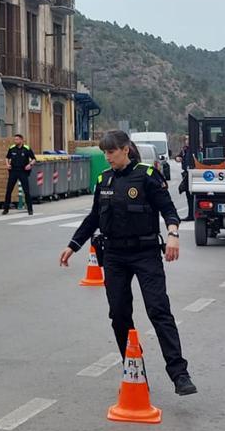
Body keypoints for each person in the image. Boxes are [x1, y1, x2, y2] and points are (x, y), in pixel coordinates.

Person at [59, 130, 197, 396]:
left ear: (125, 149)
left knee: (159, 310)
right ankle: (134, 370)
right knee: (119, 314)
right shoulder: (104, 180)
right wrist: (73, 245)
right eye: (105, 153)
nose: (107, 157)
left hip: (145, 252)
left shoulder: (146, 176)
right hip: (114, 256)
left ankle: (180, 374)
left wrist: (173, 235)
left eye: (111, 152)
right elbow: (94, 218)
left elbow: (168, 210)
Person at [1, 134, 36, 216]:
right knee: (9, 190)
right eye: (15, 139)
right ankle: (6, 209)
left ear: (21, 140)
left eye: (17, 139)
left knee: (26, 191)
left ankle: (30, 209)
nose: (15, 141)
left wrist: (30, 165)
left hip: (23, 171)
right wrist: (7, 164)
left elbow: (34, 159)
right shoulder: (12, 148)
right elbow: (7, 157)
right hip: (13, 171)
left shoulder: (26, 149)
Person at [177, 135, 195, 222]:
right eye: (186, 140)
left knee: (194, 195)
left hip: (194, 173)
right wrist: (178, 158)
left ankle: (194, 214)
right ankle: (190, 215)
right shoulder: (184, 150)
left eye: (188, 139)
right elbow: (178, 157)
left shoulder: (196, 149)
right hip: (186, 173)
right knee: (188, 195)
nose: (187, 141)